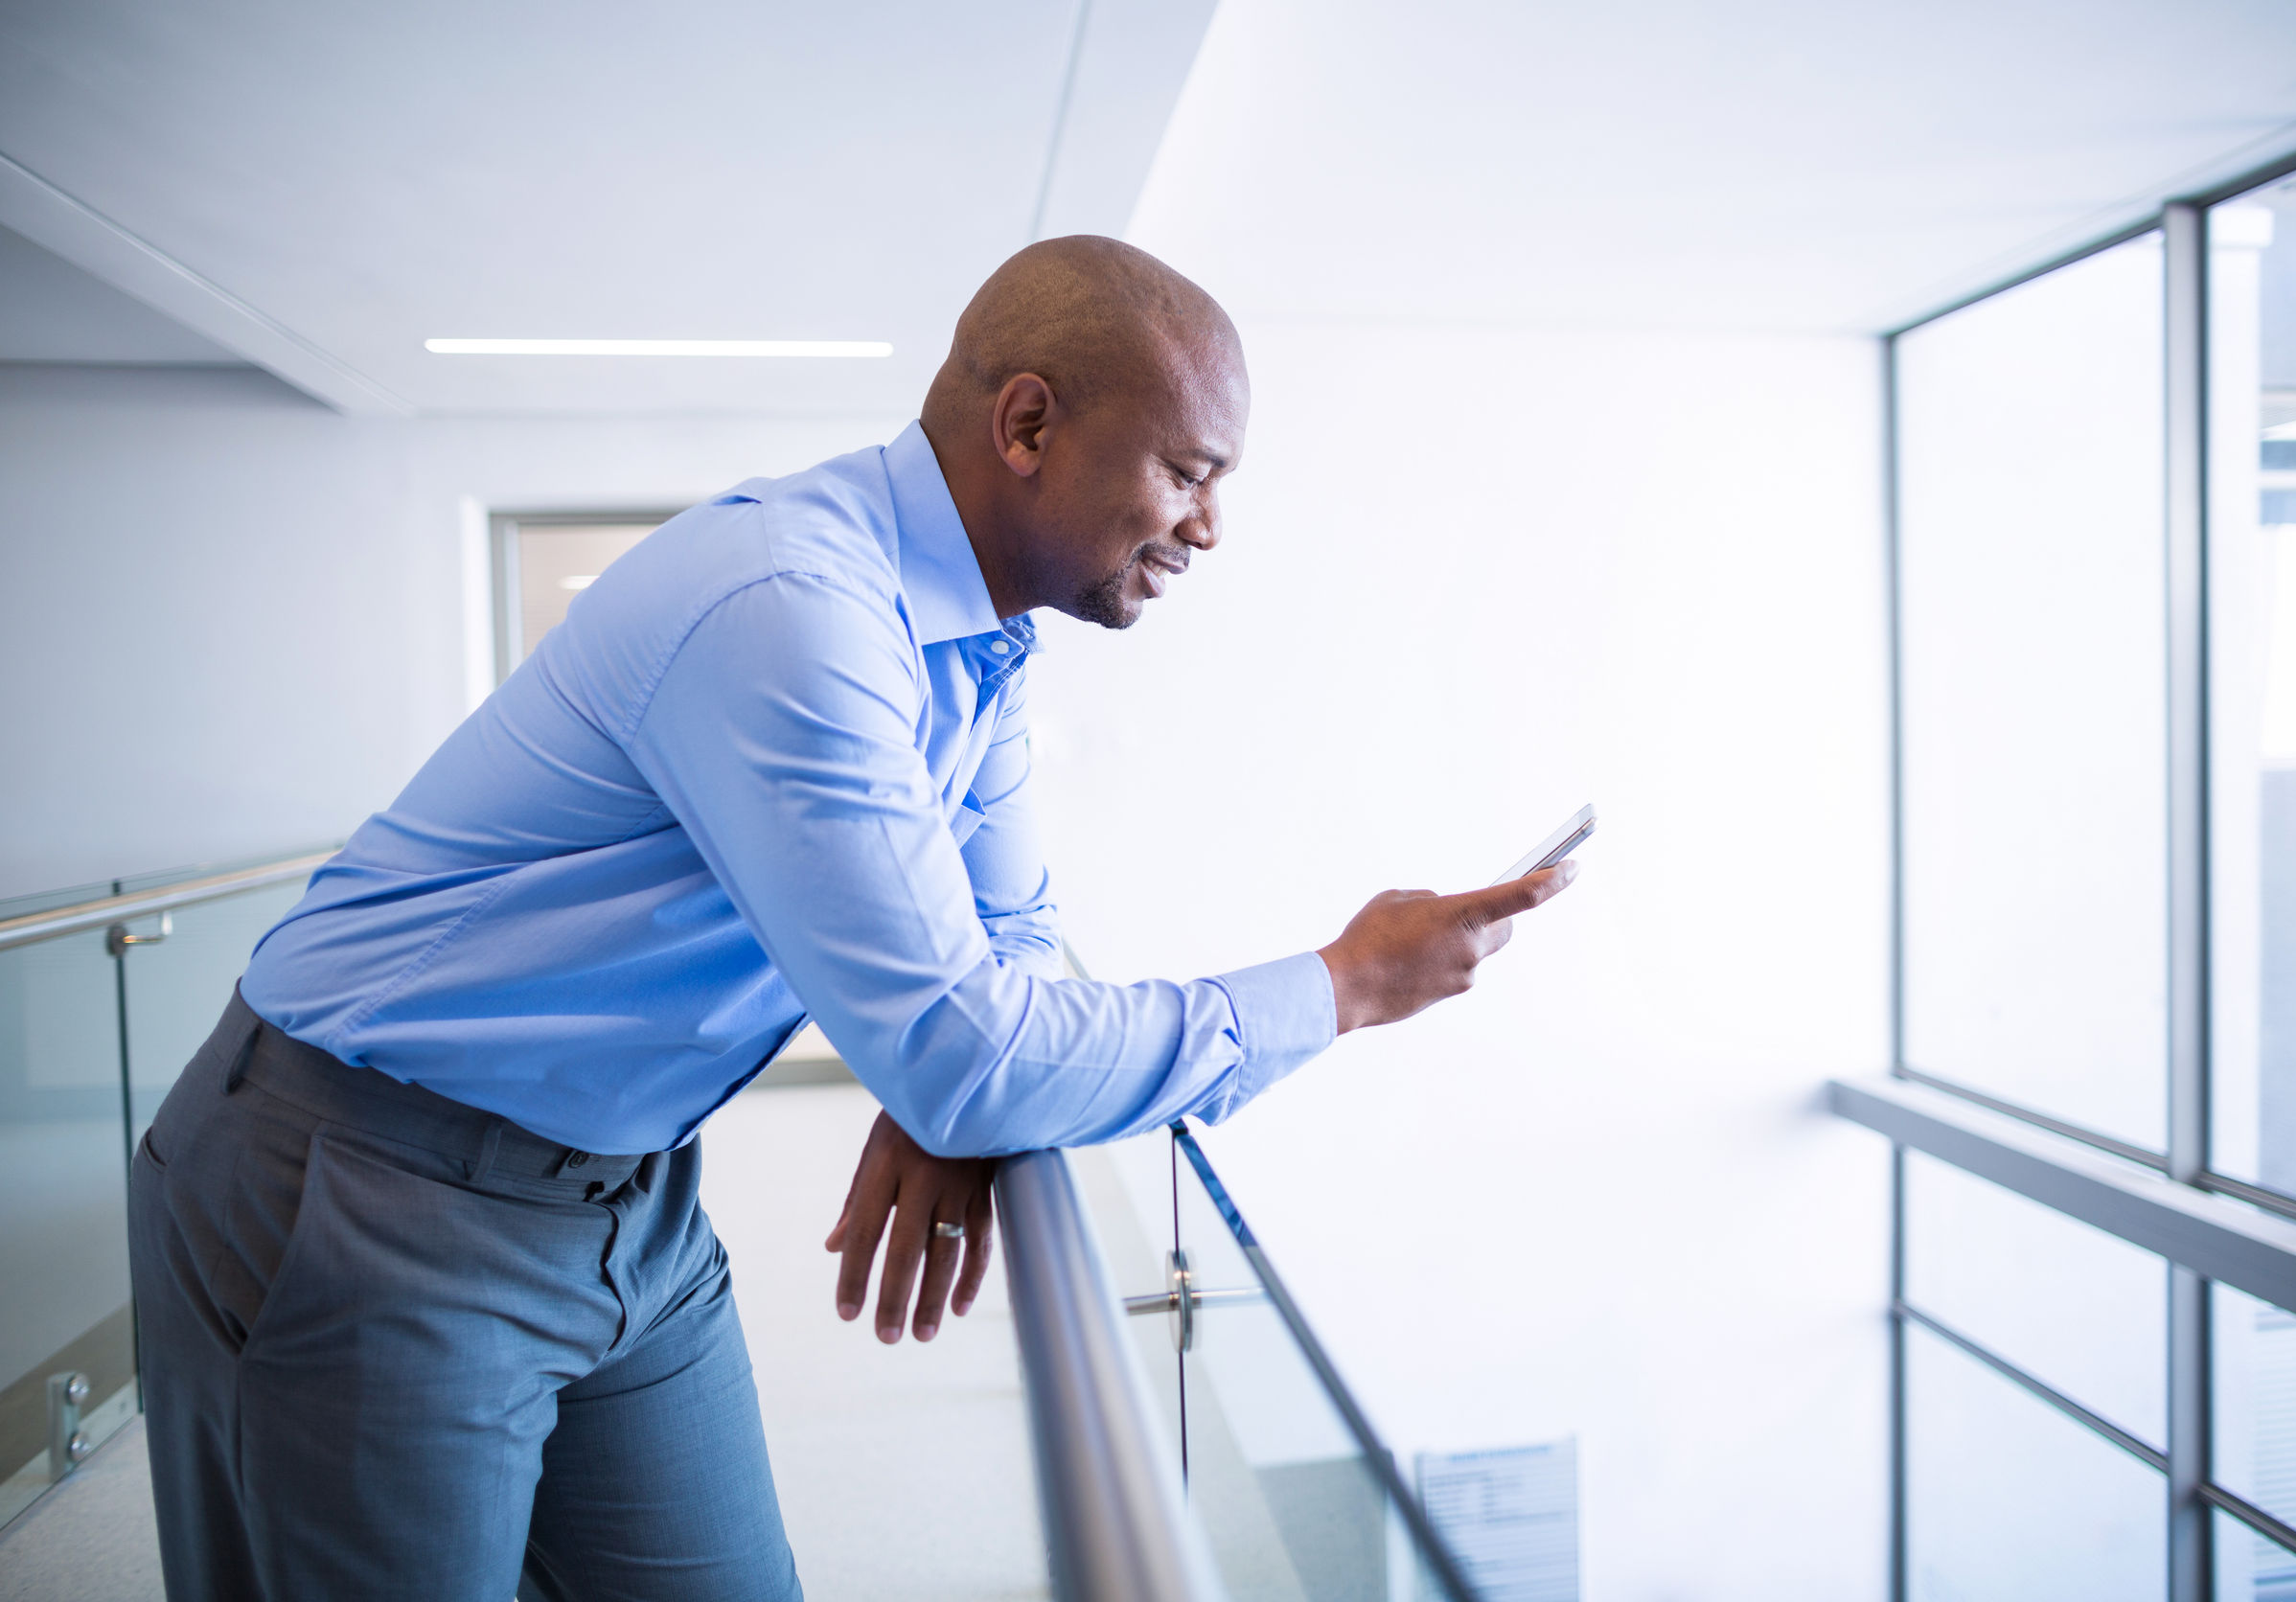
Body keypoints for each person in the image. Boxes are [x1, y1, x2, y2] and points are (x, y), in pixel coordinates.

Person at [128, 236, 1575, 1602]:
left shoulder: (979, 643)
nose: (1210, 526)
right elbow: (969, 1044)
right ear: (1027, 427)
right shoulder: (797, 611)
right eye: (1188, 472)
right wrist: (1342, 986)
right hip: (365, 1184)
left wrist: (957, 1099)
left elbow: (998, 955)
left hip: (627, 1199)